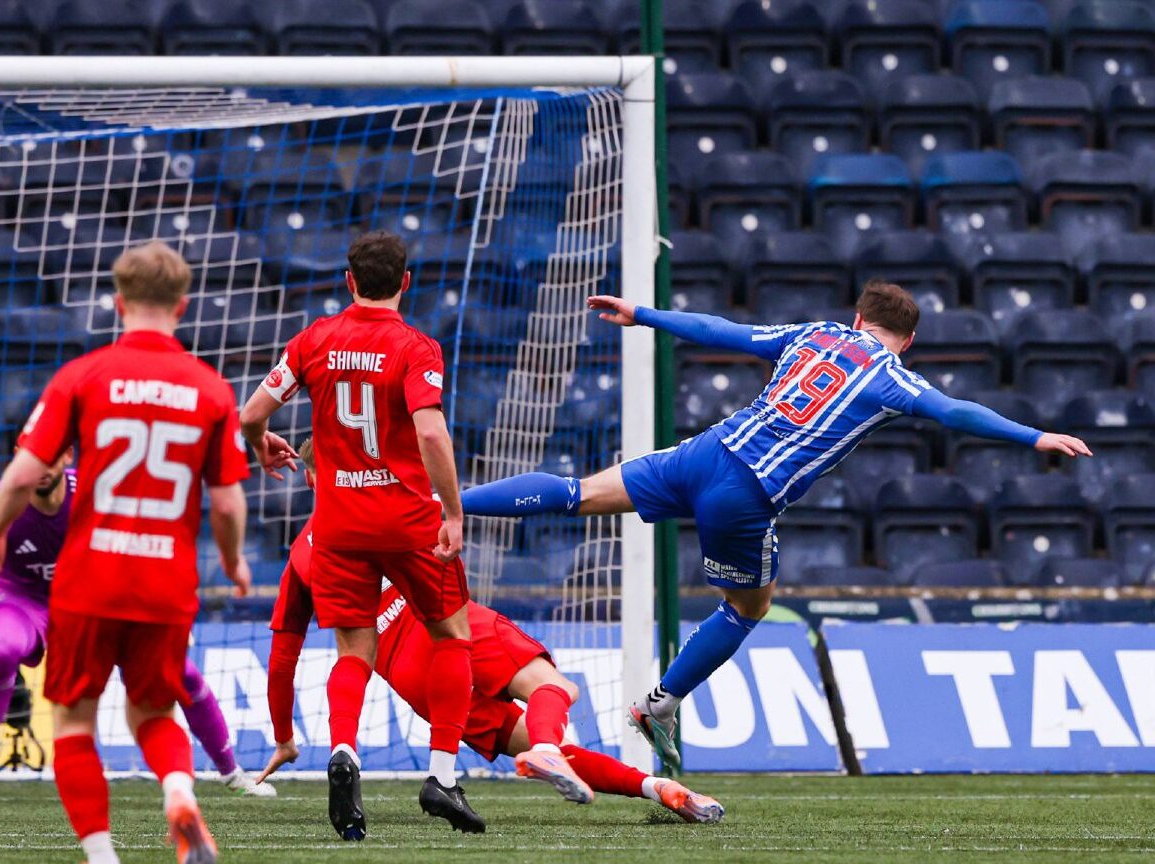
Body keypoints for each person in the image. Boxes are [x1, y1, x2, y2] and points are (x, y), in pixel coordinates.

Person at [459, 282, 1094, 768]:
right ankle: (660, 705)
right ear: (907, 339)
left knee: (580, 492)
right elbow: (955, 411)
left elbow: (722, 329)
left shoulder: (815, 334)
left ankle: (450, 503)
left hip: (704, 451)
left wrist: (644, 314)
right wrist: (1034, 435)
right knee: (747, 606)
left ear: (857, 320)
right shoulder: (891, 376)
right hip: (745, 494)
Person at [0, 241, 249, 864]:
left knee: (74, 723)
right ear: (184, 305)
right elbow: (226, 505)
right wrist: (233, 561)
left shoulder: (82, 376)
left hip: (89, 577)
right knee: (154, 711)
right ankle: (178, 793)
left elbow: (19, 476)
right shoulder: (212, 389)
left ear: (117, 303)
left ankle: (102, 857)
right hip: (165, 581)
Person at [259, 440, 725, 823]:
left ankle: (657, 787)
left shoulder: (304, 554)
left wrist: (284, 738)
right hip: (449, 632)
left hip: (408, 675)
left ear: (312, 478)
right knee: (554, 689)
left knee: (547, 744)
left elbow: (283, 659)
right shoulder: (394, 502)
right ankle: (526, 756)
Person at [239, 231, 481, 840]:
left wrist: (260, 445)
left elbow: (249, 415)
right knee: (452, 634)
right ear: (406, 281)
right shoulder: (415, 346)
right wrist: (451, 511)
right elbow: (430, 434)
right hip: (406, 520)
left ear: (348, 281)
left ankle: (343, 752)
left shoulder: (313, 339)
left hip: (338, 523)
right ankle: (443, 774)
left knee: (353, 652)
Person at [0, 453, 274, 799]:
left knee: (181, 673)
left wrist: (166, 612)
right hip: (15, 594)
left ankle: (231, 771)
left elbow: (140, 553)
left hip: (86, 597)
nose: (43, 463)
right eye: (33, 453)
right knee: (4, 650)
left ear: (67, 457)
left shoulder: (94, 497)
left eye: (52, 453)